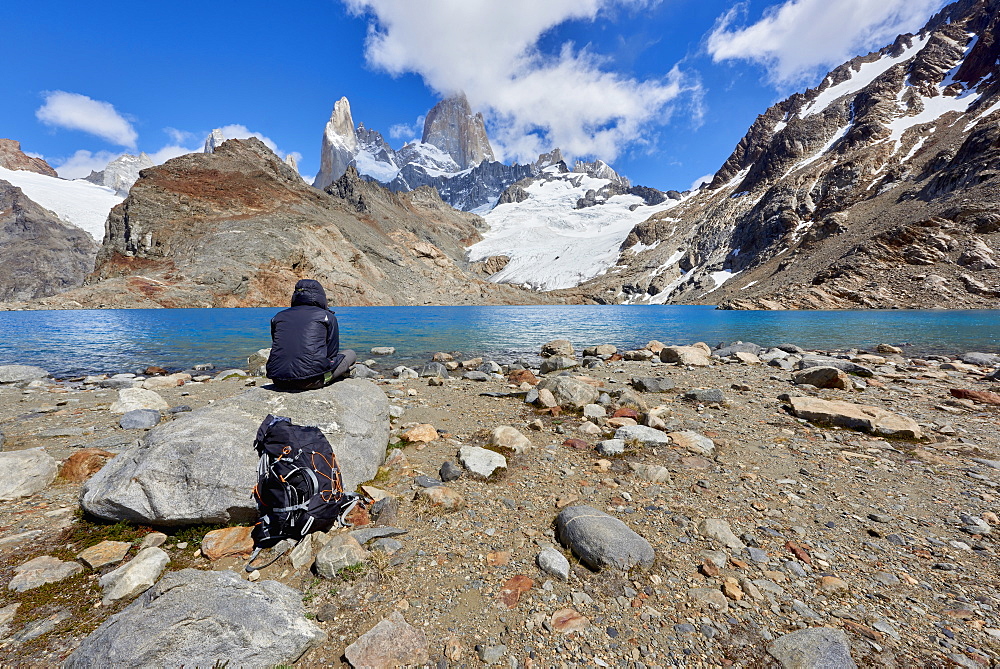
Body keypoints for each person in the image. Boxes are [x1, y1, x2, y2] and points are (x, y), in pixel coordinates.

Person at [266, 279, 356, 390]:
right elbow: (332, 353)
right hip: (311, 381)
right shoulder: (326, 316)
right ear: (321, 296)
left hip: (278, 380)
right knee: (350, 354)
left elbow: (279, 344)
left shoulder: (278, 316)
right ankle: (334, 376)